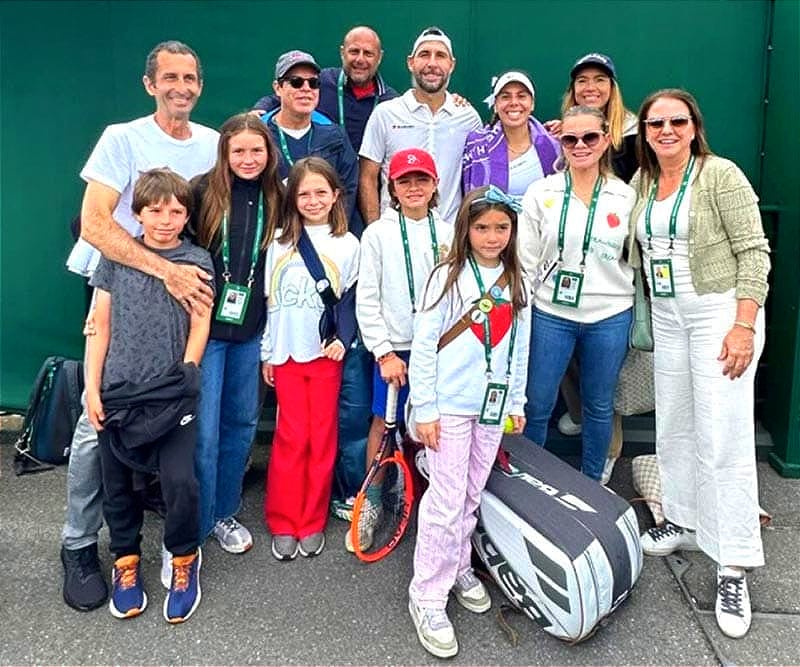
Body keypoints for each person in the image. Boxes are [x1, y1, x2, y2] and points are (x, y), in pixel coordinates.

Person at [59, 40, 219, 613]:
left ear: (200, 85)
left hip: (177, 299)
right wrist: (163, 272)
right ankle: (79, 544)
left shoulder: (212, 145)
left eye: (190, 77)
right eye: (169, 77)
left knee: (164, 427)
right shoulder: (121, 138)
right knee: (93, 424)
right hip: (120, 283)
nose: (181, 86)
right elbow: (97, 224)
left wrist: (191, 281)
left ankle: (175, 550)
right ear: (150, 83)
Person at [632, 89, 770, 639]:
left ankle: (732, 561)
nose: (665, 130)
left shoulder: (721, 175)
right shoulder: (645, 182)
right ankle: (685, 520)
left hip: (718, 313)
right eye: (655, 122)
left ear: (694, 127)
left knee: (724, 435)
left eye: (676, 121)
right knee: (677, 424)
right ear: (643, 130)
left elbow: (754, 253)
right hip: (668, 317)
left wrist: (743, 324)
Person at [407, 185, 529, 658]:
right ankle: (428, 594)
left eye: (501, 227)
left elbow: (520, 345)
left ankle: (458, 565)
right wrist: (426, 408)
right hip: (449, 405)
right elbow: (423, 346)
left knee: (473, 490)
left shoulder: (519, 281)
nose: (493, 236)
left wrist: (515, 399)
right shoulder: (446, 276)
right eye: (482, 227)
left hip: (492, 404)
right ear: (466, 229)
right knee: (445, 495)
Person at [86, 168, 213, 622]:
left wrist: (190, 372)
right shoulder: (116, 258)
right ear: (137, 213)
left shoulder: (198, 259)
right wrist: (91, 388)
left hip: (172, 394)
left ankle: (183, 558)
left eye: (176, 211)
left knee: (180, 481)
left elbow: (201, 321)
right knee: (116, 485)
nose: (165, 219)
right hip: (117, 391)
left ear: (186, 215)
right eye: (155, 210)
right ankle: (126, 560)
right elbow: (100, 324)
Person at [518, 105, 636, 481]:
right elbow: (526, 259)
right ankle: (530, 479)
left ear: (605, 140)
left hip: (610, 315)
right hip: (552, 312)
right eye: (570, 138)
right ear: (561, 142)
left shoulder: (626, 196)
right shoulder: (541, 192)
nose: (580, 145)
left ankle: (592, 481)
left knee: (599, 405)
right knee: (537, 402)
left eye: (590, 137)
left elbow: (636, 257)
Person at [347, 148, 452, 552]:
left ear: (434, 185)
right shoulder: (377, 233)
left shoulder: (448, 233)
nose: (413, 188)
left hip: (438, 352)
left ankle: (429, 502)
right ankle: (371, 499)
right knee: (382, 422)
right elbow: (367, 299)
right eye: (405, 181)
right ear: (392, 186)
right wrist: (384, 352)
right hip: (393, 351)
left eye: (421, 180)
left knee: (433, 426)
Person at [190, 113, 283, 554]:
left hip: (250, 332)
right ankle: (198, 514)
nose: (248, 159)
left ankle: (223, 512)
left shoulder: (277, 196)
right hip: (206, 331)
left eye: (256, 150)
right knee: (203, 431)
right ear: (225, 153)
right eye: (239, 151)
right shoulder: (201, 192)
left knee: (241, 424)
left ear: (269, 153)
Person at [260, 157, 360, 560]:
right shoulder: (279, 241)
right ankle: (283, 519)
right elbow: (270, 302)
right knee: (289, 437)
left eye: (321, 192)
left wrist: (344, 338)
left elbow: (351, 301)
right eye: (304, 193)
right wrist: (268, 352)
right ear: (292, 197)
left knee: (321, 437)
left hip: (325, 355)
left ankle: (312, 519)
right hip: (286, 351)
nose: (313, 200)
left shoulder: (349, 243)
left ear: (336, 195)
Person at [548, 52, 640, 454]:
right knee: (565, 348)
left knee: (605, 378)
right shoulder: (561, 133)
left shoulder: (634, 136)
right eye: (582, 80)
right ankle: (580, 412)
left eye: (599, 80)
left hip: (611, 266)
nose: (591, 87)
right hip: (565, 268)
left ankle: (606, 452)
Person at [359, 26, 482, 224]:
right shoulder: (385, 114)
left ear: (451, 64)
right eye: (424, 54)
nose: (432, 63)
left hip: (449, 238)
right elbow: (367, 177)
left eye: (440, 56)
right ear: (411, 62)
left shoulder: (468, 118)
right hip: (394, 235)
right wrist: (376, 229)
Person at [261, 50, 360, 235]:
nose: (306, 88)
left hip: (325, 241)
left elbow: (348, 190)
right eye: (296, 82)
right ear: (277, 88)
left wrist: (334, 233)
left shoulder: (335, 137)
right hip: (274, 241)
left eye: (313, 83)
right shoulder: (260, 137)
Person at [252, 26, 397, 152]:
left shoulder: (391, 102)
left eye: (368, 53)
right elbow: (282, 96)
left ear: (379, 57)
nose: (360, 59)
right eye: (354, 51)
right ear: (342, 52)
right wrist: (259, 110)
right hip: (322, 173)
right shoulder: (321, 81)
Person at [462, 70, 560, 196]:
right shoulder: (475, 144)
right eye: (506, 97)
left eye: (521, 96)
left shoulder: (555, 145)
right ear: (496, 105)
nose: (514, 103)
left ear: (532, 104)